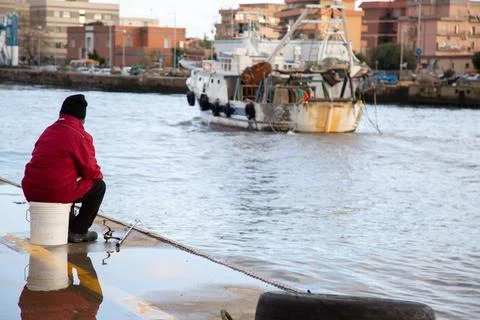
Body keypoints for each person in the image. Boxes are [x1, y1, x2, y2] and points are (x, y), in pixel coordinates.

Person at [22, 94, 106, 243]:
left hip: (31, 190)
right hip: (55, 192)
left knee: (67, 178)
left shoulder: (48, 131)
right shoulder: (79, 135)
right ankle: (78, 231)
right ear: (82, 119)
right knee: (98, 186)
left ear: (61, 114)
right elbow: (92, 171)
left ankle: (68, 225)